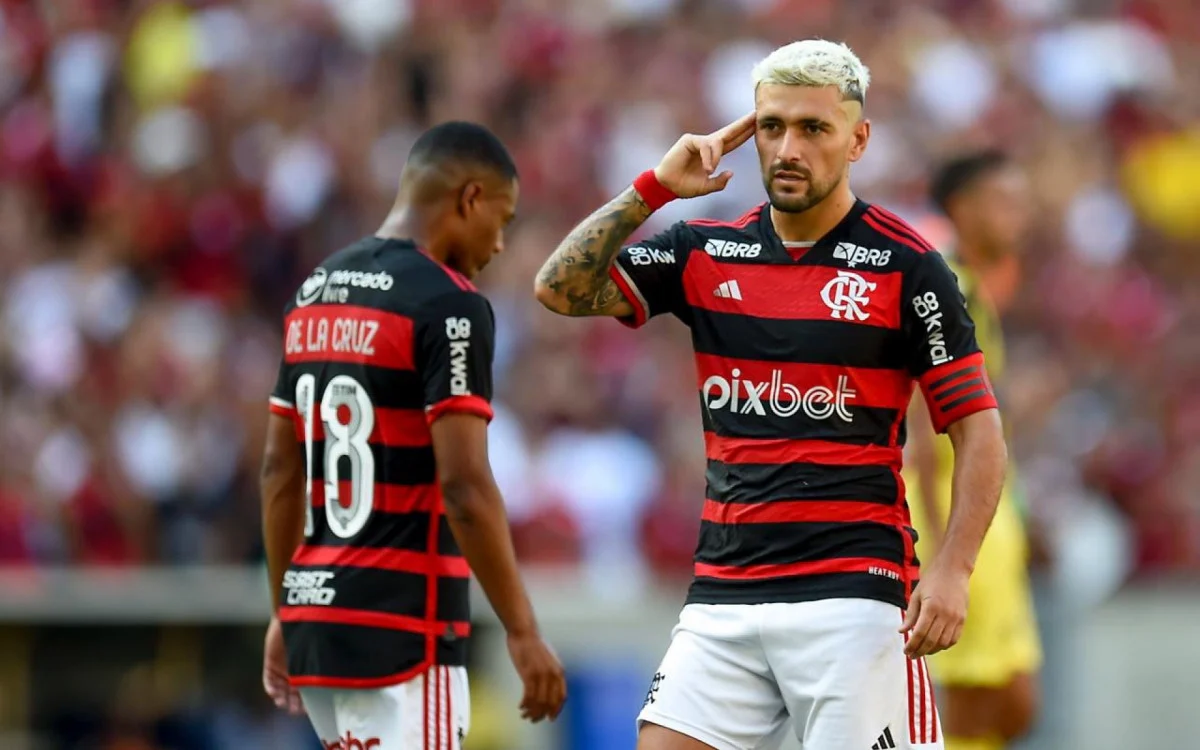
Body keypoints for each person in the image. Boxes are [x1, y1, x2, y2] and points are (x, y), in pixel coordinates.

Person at [534, 39, 1008, 750]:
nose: (789, 149)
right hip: (724, 595)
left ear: (858, 140)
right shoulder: (703, 250)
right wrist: (653, 189)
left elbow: (978, 429)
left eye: (814, 128)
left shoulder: (908, 267)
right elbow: (558, 288)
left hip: (853, 597)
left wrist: (954, 569)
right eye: (772, 126)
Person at [259, 120, 567, 749]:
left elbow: (278, 470)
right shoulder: (449, 304)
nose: (499, 244)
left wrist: (284, 607)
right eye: (502, 219)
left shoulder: (315, 291)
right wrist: (522, 629)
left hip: (319, 624)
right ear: (470, 198)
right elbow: (465, 486)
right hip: (403, 634)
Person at [903, 151, 1042, 750]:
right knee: (968, 698)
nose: (1019, 216)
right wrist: (942, 553)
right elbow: (921, 430)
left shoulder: (974, 288)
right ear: (962, 208)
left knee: (1014, 702)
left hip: (987, 512)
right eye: (1003, 202)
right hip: (950, 511)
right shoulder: (944, 289)